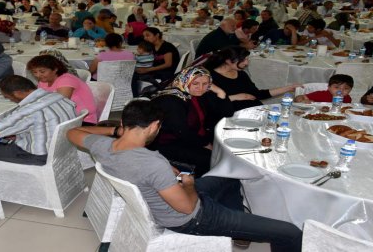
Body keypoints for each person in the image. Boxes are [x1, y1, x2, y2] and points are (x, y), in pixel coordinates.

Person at [67, 100, 303, 252]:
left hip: (168, 197)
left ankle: (237, 224)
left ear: (124, 123)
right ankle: (233, 223)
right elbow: (187, 208)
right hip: (191, 217)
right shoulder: (153, 163)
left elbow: (72, 132)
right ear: (154, 126)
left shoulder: (101, 146)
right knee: (291, 232)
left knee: (231, 173)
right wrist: (189, 184)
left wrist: (113, 132)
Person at [0, 75, 76, 165]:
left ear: (17, 93)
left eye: (8, 97)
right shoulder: (57, 96)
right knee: (2, 139)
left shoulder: (29, 110)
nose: (10, 100)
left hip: (38, 156)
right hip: (63, 149)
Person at [149, 67, 233, 177]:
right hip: (167, 143)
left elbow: (227, 113)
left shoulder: (196, 94)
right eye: (196, 83)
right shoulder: (172, 101)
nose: (201, 88)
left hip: (194, 135)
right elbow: (182, 132)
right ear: (185, 81)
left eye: (205, 84)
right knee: (209, 157)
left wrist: (219, 91)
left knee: (227, 144)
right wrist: (206, 144)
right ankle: (201, 184)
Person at [204, 47, 300, 112]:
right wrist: (236, 97)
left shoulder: (241, 74)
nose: (247, 63)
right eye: (243, 59)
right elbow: (209, 104)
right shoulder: (210, 77)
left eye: (247, 59)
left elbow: (257, 94)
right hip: (231, 114)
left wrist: (288, 88)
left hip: (253, 110)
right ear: (228, 61)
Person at [27, 55, 98, 125]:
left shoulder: (66, 80)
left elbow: (61, 106)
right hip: (61, 118)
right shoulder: (43, 82)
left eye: (42, 72)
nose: (38, 75)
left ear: (55, 69)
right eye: (34, 72)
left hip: (82, 121)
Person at [132, 27, 180, 95]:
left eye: (148, 35)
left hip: (167, 72)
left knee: (135, 76)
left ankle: (139, 95)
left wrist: (148, 70)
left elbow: (168, 64)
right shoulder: (152, 46)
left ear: (157, 35)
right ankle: (139, 94)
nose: (145, 38)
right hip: (156, 69)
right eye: (144, 36)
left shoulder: (167, 47)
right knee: (134, 72)